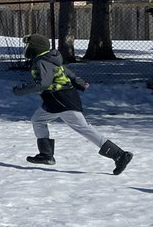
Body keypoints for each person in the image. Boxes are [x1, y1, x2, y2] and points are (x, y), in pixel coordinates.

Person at [12, 33, 133, 173]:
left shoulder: (41, 62)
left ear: (35, 48)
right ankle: (46, 155)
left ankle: (119, 155)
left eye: (28, 46)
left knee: (83, 128)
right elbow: (64, 70)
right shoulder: (49, 58)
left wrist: (21, 90)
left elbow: (44, 83)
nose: (26, 48)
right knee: (38, 120)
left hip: (61, 100)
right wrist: (77, 80)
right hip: (57, 100)